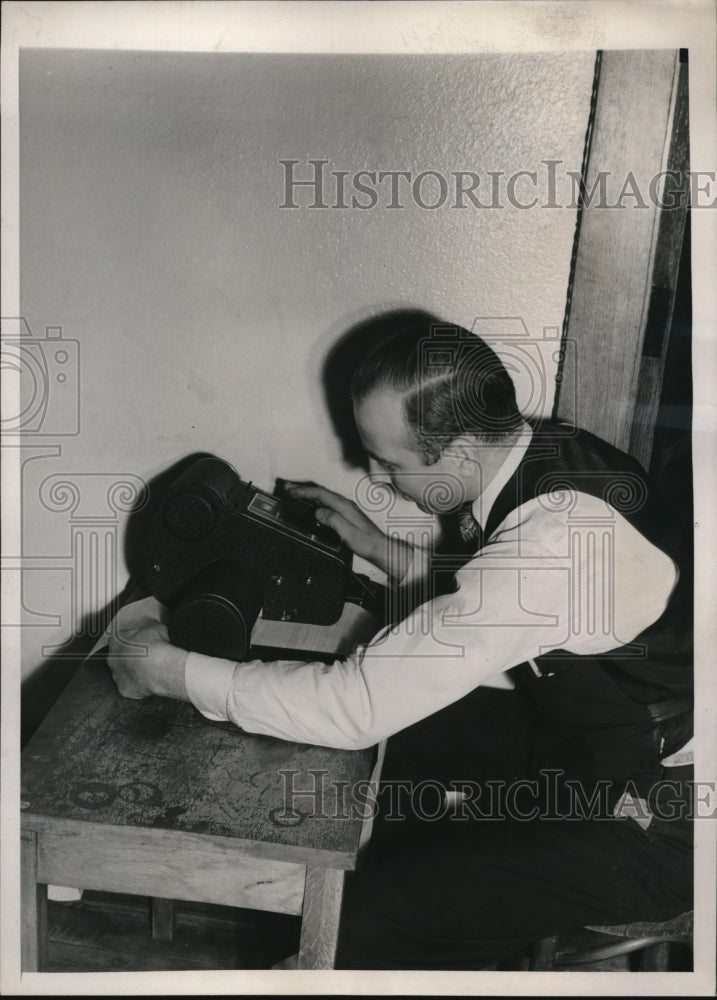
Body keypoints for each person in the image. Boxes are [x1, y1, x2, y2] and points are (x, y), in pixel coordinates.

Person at [108, 318, 693, 969]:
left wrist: (165, 670)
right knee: (394, 745)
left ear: (462, 450)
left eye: (389, 462)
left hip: (661, 822)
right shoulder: (546, 451)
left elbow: (356, 706)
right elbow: (497, 604)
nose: (374, 475)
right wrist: (378, 547)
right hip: (600, 743)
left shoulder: (549, 546)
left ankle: (353, 951)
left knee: (369, 920)